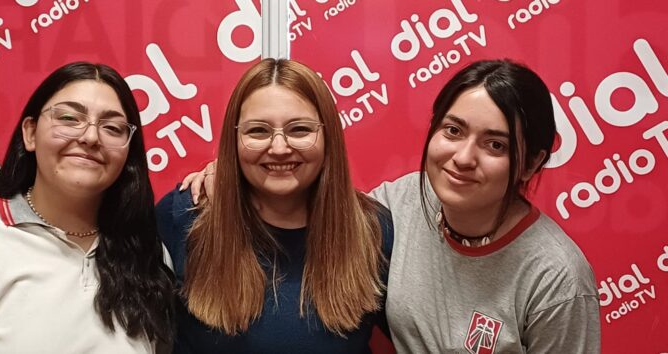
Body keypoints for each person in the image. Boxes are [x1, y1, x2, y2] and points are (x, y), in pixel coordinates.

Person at [183, 59, 601, 353]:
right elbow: (318, 199)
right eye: (452, 130)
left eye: (496, 144)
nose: (463, 157)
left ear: (531, 163)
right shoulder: (400, 205)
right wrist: (231, 171)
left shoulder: (556, 279)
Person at [0, 62, 175, 353]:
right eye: (69, 118)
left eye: (112, 128)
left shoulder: (148, 258)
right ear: (30, 133)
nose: (91, 137)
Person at [156, 58, 393, 354]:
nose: (279, 148)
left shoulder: (372, 229)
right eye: (257, 131)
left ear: (327, 135)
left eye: (299, 130)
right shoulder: (184, 215)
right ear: (235, 139)